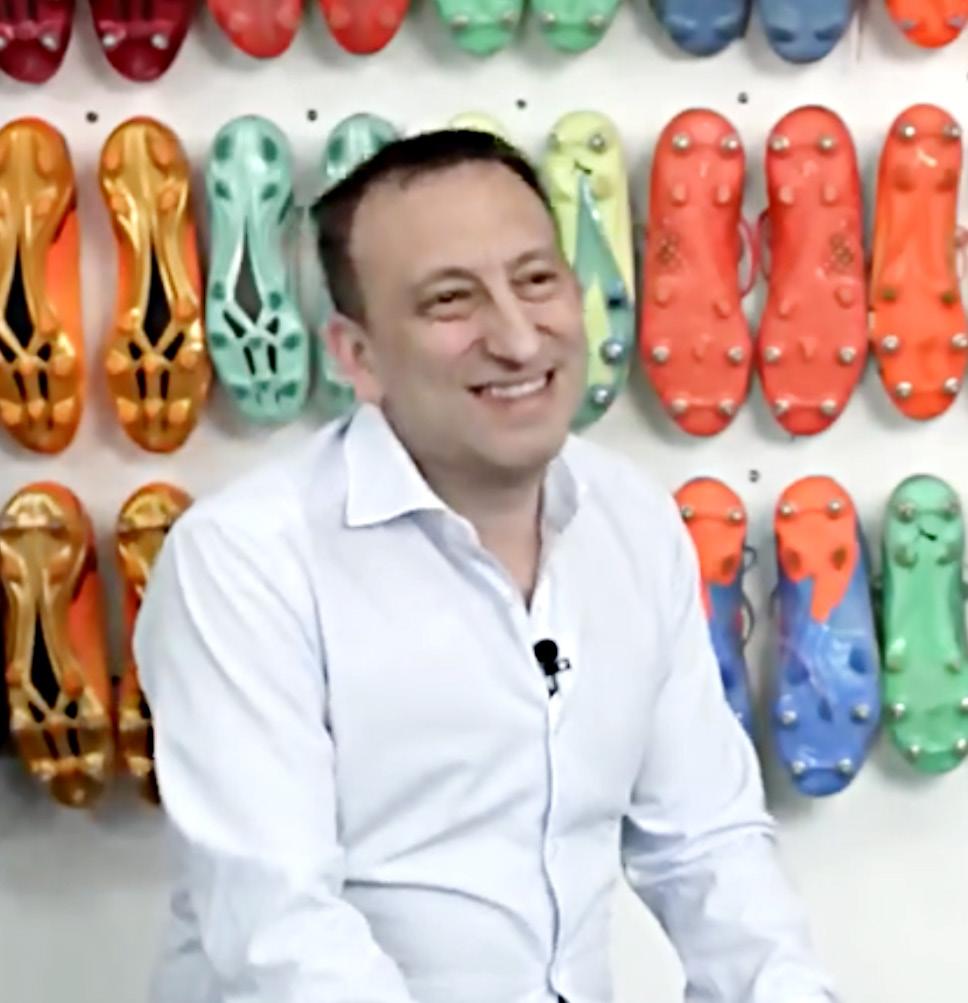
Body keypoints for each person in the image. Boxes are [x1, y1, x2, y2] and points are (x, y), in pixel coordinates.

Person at [135, 128, 838, 1003]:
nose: (516, 337)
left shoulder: (633, 521)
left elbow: (708, 843)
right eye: (450, 302)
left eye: (537, 280)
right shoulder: (244, 561)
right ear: (356, 356)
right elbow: (279, 929)